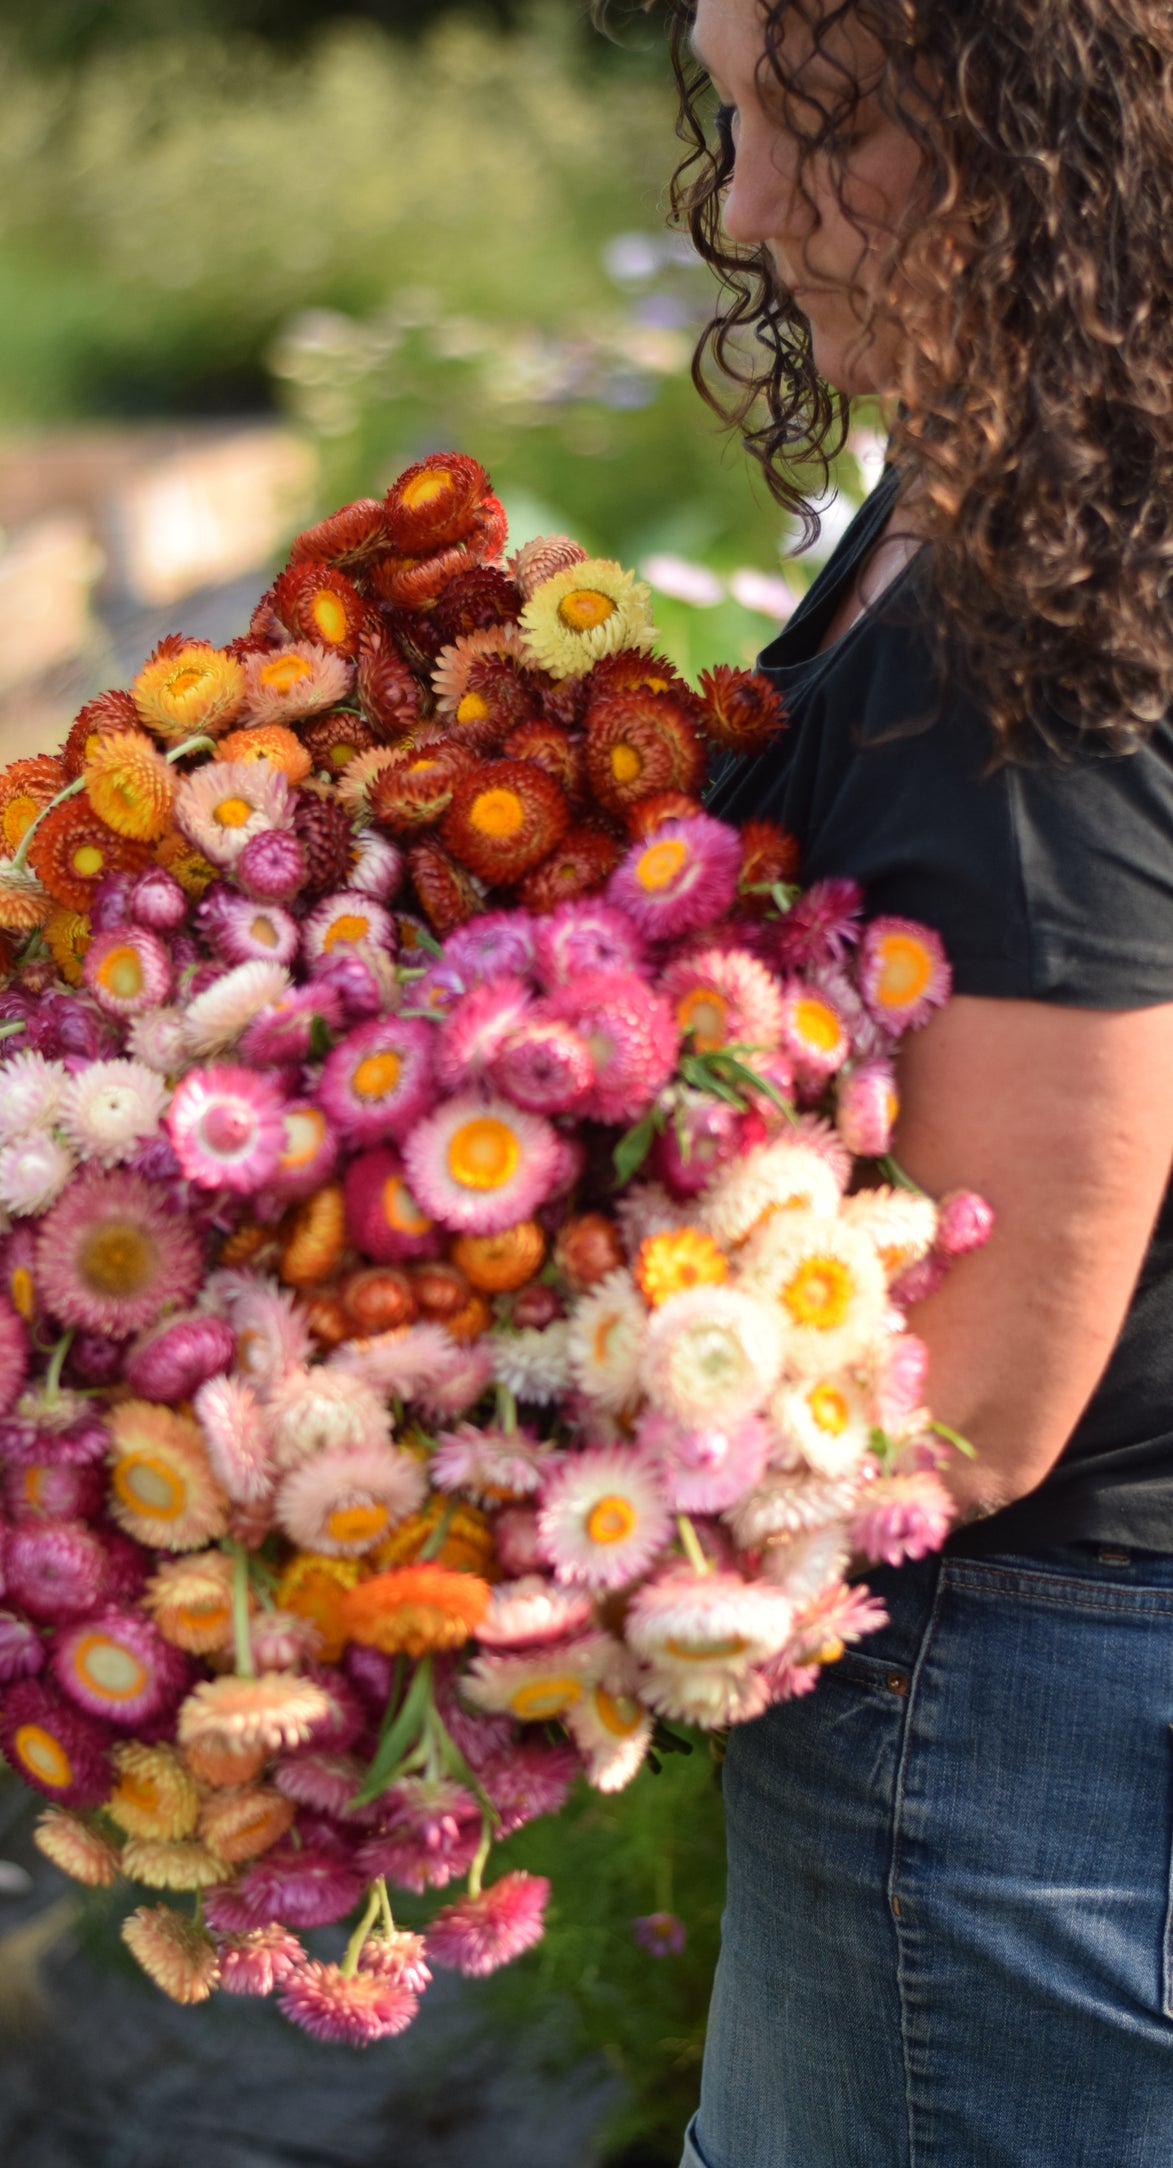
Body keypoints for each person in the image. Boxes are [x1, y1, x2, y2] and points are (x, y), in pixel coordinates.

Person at [615, 1, 1173, 2161]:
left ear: (1057, 140)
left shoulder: (1031, 608)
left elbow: (982, 1387)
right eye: (736, 115)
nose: (748, 208)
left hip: (1018, 1743)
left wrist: (462, 1492)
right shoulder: (1029, 474)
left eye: (824, 132)